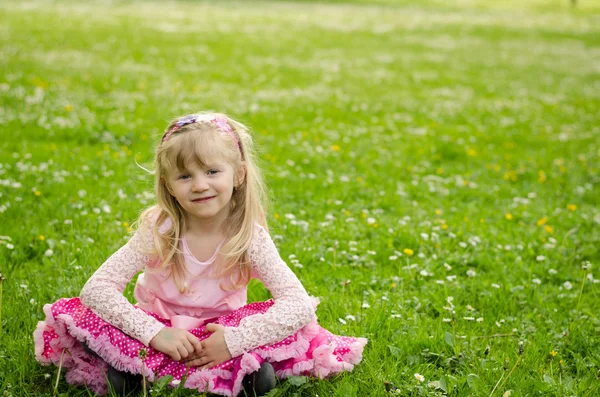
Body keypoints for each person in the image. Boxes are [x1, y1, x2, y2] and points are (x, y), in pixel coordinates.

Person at [34, 113, 367, 396]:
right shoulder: (159, 230)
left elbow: (296, 303)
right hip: (159, 329)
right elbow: (97, 288)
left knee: (291, 324)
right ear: (168, 185)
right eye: (184, 176)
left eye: (211, 172)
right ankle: (135, 367)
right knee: (81, 313)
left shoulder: (249, 237)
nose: (198, 185)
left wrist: (234, 341)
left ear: (237, 175)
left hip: (218, 336)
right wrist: (156, 334)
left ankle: (230, 372)